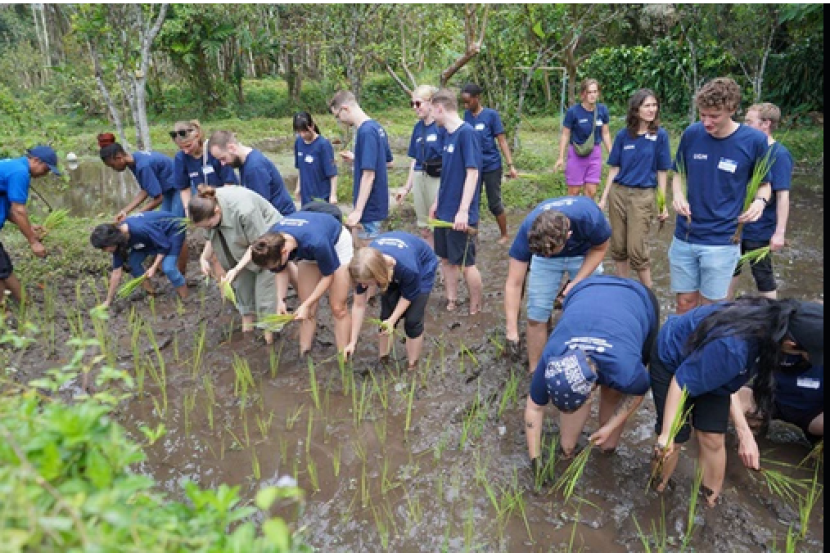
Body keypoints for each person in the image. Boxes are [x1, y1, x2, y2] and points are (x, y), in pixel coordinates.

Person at [649, 297, 822, 507]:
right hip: (673, 360)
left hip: (714, 363)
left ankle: (708, 503)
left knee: (712, 437)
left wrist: (744, 433)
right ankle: (656, 494)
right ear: (790, 344)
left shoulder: (779, 325)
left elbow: (725, 376)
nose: (808, 359)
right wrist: (667, 433)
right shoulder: (734, 348)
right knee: (675, 438)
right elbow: (681, 382)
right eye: (807, 353)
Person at [525, 276, 660, 465]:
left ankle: (607, 451)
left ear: (590, 392)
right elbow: (534, 407)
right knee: (567, 446)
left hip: (639, 300)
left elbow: (637, 393)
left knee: (613, 396)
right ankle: (567, 450)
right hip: (584, 290)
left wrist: (609, 428)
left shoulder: (627, 371)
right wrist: (535, 460)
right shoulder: (552, 357)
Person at [669, 77, 771, 315]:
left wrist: (759, 201)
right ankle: (681, 348)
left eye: (714, 116)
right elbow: (678, 173)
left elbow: (765, 185)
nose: (706, 122)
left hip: (722, 239)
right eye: (702, 114)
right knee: (684, 303)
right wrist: (677, 195)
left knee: (711, 307)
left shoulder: (753, 141)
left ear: (732, 110)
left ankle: (704, 349)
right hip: (685, 234)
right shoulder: (692, 134)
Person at [504, 196, 610, 374]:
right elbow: (514, 283)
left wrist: (577, 282)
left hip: (585, 253)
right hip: (545, 259)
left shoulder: (590, 218)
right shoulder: (529, 229)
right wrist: (511, 329)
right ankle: (536, 371)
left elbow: (600, 249)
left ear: (568, 236)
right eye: (543, 253)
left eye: (549, 253)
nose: (547, 255)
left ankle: (585, 367)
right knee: (536, 314)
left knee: (588, 311)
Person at [244, 210, 353, 356]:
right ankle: (304, 354)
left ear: (284, 252)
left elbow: (328, 277)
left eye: (274, 265)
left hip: (335, 243)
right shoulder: (271, 242)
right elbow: (280, 269)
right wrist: (281, 300)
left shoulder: (317, 242)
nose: (274, 269)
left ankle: (344, 356)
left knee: (338, 308)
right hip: (306, 248)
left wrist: (306, 304)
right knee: (308, 311)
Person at [188, 185, 283, 344]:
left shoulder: (244, 210)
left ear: (217, 211)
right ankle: (248, 333)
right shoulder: (207, 205)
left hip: (268, 244)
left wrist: (237, 268)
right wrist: (204, 258)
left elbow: (259, 244)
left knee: (265, 296)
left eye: (208, 225)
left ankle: (270, 342)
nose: (207, 229)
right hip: (242, 242)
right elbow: (212, 235)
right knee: (242, 288)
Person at [598, 89, 672, 288]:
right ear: (636, 109)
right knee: (619, 246)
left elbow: (662, 171)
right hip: (619, 194)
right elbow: (615, 168)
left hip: (643, 195)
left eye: (654, 105)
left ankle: (648, 297)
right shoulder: (623, 135)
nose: (652, 110)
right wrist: (604, 198)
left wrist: (662, 203)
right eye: (647, 106)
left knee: (637, 248)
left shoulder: (660, 136)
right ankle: (623, 290)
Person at [733, 302, 823, 451]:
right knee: (729, 401)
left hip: (812, 413)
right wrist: (743, 433)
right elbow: (730, 385)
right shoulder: (778, 338)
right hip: (768, 398)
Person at [345, 231, 439, 371]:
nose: (363, 286)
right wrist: (352, 341)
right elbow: (358, 306)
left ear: (378, 274)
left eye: (367, 283)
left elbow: (408, 296)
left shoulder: (408, 269)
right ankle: (383, 359)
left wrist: (392, 320)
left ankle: (412, 365)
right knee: (385, 316)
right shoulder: (361, 268)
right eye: (361, 283)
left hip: (423, 267)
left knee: (413, 320)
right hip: (389, 271)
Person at [728, 102, 794, 300]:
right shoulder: (745, 149)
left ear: (765, 124)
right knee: (728, 272)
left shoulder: (780, 155)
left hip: (760, 227)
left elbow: (783, 196)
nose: (744, 126)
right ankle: (721, 314)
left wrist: (779, 233)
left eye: (749, 121)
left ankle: (773, 320)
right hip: (735, 225)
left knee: (763, 275)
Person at [99, 136, 189, 275]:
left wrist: (137, 215)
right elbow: (147, 189)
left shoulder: (142, 166)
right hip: (167, 189)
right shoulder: (134, 161)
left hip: (179, 188)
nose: (114, 169)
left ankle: (182, 272)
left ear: (118, 158)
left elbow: (157, 199)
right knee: (161, 225)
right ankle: (163, 263)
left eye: (112, 165)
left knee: (177, 228)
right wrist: (126, 211)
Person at [428, 88, 483, 315]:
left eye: (432, 111)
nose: (431, 116)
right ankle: (452, 300)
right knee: (446, 258)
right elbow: (448, 174)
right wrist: (436, 202)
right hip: (444, 211)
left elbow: (472, 173)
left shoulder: (466, 134)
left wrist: (463, 211)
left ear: (440, 108)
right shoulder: (448, 135)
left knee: (466, 263)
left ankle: (475, 306)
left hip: (461, 213)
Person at [328, 90, 393, 246]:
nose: (340, 120)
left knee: (367, 258)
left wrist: (358, 211)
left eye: (338, 116)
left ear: (345, 108)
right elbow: (388, 163)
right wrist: (358, 159)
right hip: (377, 205)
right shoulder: (377, 127)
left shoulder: (365, 131)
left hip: (369, 208)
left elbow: (369, 175)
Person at [90, 211, 188, 307]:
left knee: (168, 267)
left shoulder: (138, 229)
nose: (104, 251)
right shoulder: (119, 240)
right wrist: (108, 301)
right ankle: (151, 293)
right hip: (151, 238)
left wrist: (154, 266)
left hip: (172, 229)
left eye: (104, 248)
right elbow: (116, 273)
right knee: (133, 264)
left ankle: (185, 298)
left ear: (111, 240)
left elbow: (163, 246)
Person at [461, 82, 518, 244]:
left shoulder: (491, 115)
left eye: (468, 101)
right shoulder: (466, 116)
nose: (466, 105)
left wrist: (510, 165)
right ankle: (474, 235)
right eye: (464, 102)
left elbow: (502, 140)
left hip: (491, 165)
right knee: (473, 201)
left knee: (494, 202)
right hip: (473, 166)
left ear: (477, 98)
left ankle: (505, 234)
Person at [0, 145, 59, 302]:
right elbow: (19, 210)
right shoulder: (20, 172)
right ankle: (7, 313)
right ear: (36, 160)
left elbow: (11, 211)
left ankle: (22, 304)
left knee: (3, 267)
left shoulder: (12, 166)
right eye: (46, 169)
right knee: (2, 269)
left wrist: (29, 228)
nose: (45, 174)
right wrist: (33, 241)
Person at [396, 85, 444, 248]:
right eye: (412, 104)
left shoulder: (441, 127)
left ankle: (443, 262)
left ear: (431, 103)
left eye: (418, 104)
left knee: (437, 223)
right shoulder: (418, 128)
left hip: (437, 178)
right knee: (424, 227)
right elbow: (414, 159)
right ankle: (431, 263)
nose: (415, 108)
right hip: (419, 177)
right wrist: (406, 187)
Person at [208, 130, 296, 218]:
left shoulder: (254, 168)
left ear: (232, 148)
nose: (222, 164)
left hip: (280, 220)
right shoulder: (245, 163)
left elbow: (259, 207)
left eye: (223, 158)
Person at [554, 78, 613, 200]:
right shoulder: (573, 112)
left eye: (595, 92)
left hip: (594, 153)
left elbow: (605, 133)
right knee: (573, 192)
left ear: (598, 93)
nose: (592, 95)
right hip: (577, 152)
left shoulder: (602, 110)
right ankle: (572, 217)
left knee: (591, 192)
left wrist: (612, 154)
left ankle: (586, 217)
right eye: (589, 92)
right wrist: (560, 157)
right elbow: (565, 134)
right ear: (583, 94)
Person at [170, 119, 238, 214]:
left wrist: (220, 205)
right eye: (181, 148)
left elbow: (229, 183)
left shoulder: (213, 151)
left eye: (188, 146)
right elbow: (184, 188)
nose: (186, 151)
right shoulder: (181, 157)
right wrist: (188, 210)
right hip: (203, 199)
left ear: (197, 136)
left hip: (225, 197)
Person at [293, 111, 338, 206]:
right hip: (306, 197)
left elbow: (332, 173)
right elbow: (301, 168)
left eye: (304, 131)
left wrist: (333, 195)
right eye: (299, 132)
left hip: (321, 196)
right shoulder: (299, 143)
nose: (302, 135)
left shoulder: (323, 145)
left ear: (312, 126)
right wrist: (298, 188)